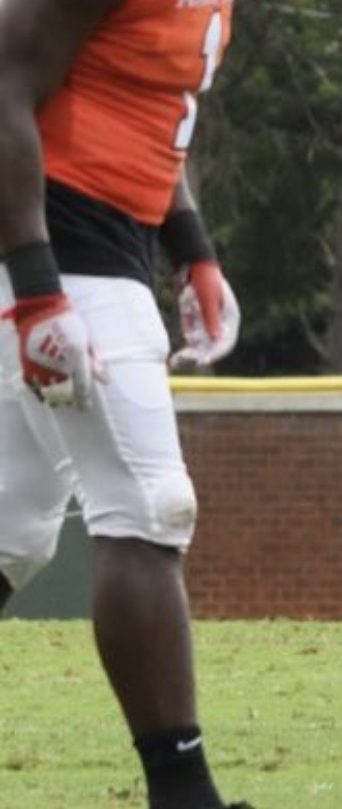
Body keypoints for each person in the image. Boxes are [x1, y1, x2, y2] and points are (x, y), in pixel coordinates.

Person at [0, 3, 250, 809]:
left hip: (99, 245)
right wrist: (37, 288)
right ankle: (184, 794)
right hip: (59, 249)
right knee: (147, 505)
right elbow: (4, 74)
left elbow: (139, 102)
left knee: (9, 532)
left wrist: (193, 250)